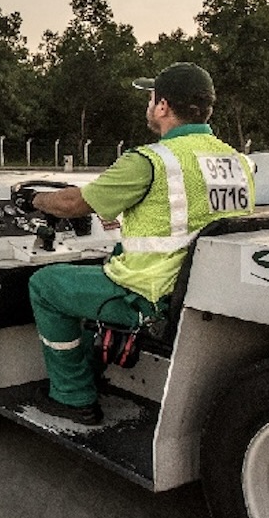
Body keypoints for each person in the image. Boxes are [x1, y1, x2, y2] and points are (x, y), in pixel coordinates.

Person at [15, 62, 254, 425]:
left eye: (151, 98)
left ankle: (72, 396)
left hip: (149, 293)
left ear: (162, 106)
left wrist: (31, 200)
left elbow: (73, 203)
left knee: (45, 284)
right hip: (206, 290)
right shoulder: (239, 163)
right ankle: (96, 363)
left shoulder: (151, 160)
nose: (149, 106)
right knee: (108, 261)